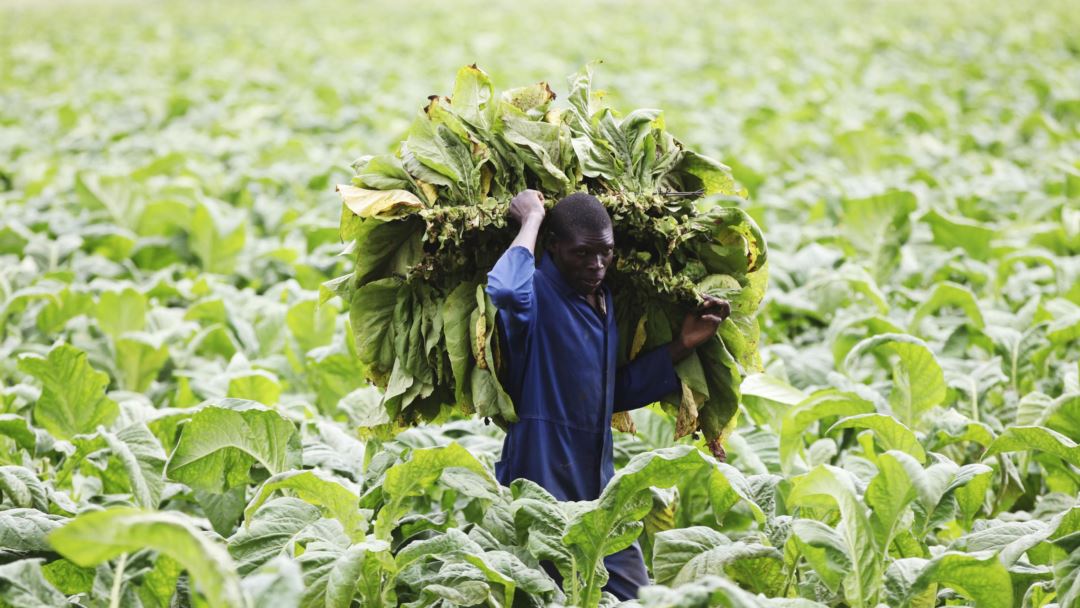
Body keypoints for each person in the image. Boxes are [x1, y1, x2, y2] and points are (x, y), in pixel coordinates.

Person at [485, 189, 730, 601]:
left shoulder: (602, 301)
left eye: (605, 253)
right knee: (547, 595)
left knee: (634, 592)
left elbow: (607, 394)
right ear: (553, 246)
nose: (596, 265)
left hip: (598, 481)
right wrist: (531, 218)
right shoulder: (537, 294)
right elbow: (506, 290)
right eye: (582, 254)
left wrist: (682, 345)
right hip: (540, 475)